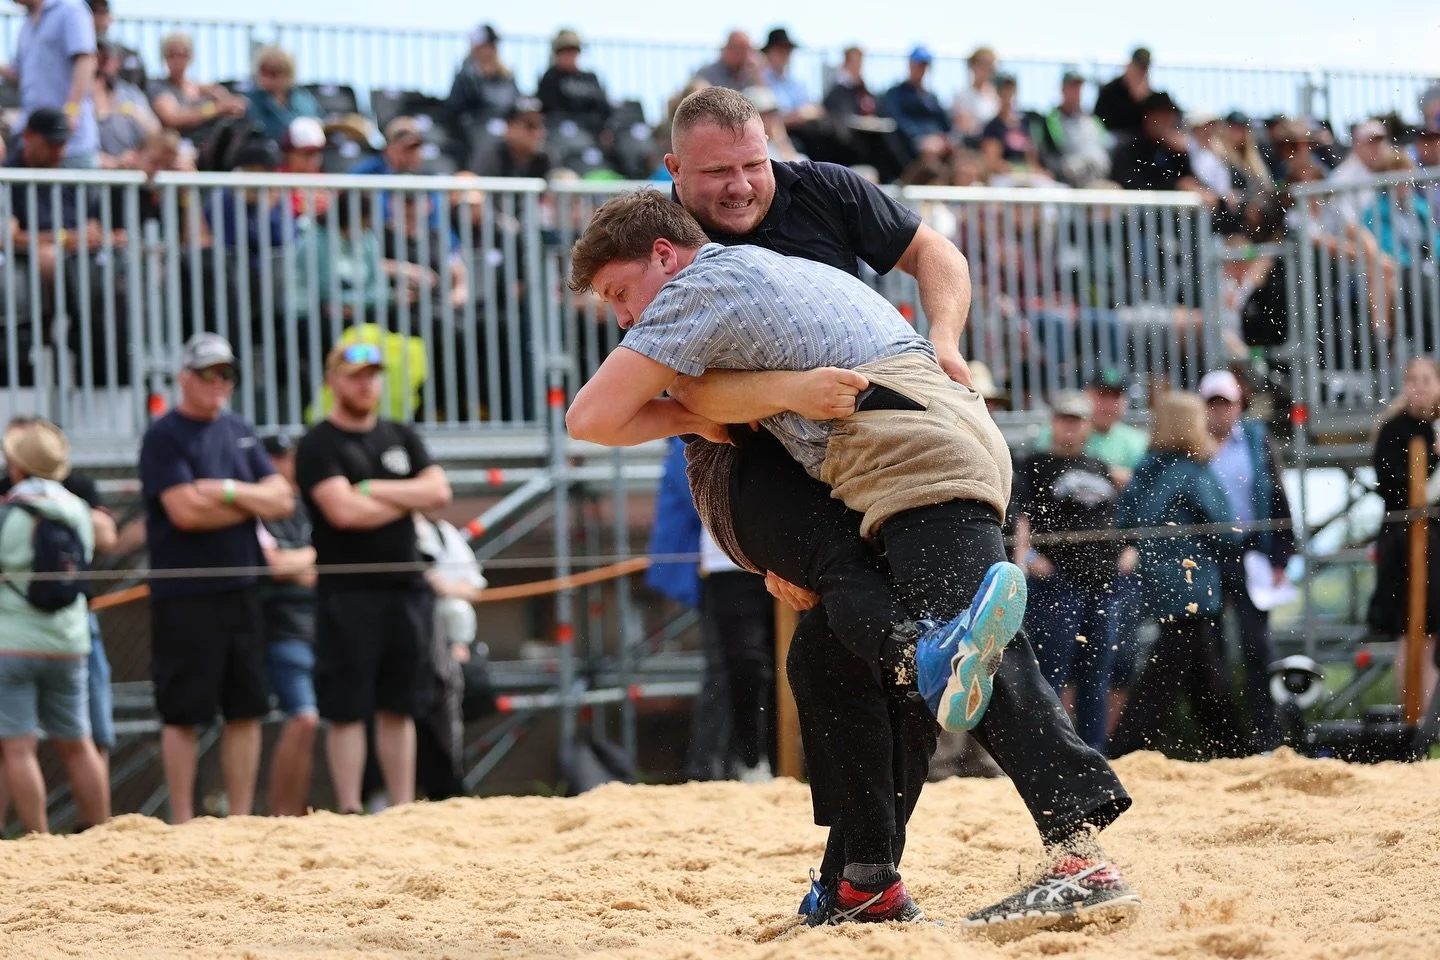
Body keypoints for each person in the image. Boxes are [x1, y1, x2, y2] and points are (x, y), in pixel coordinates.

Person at [651, 86, 1135, 932]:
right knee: (854, 661)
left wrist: (947, 343)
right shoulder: (671, 251)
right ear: (673, 173)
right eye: (716, 173)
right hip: (794, 477)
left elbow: (936, 255)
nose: (739, 187)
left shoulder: (825, 190)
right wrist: (776, 545)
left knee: (942, 641)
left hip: (891, 446)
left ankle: (1075, 850)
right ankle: (863, 880)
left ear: (775, 151)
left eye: (753, 166)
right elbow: (686, 397)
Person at [138, 333, 296, 824]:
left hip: (242, 588)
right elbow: (185, 512)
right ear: (185, 376)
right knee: (183, 712)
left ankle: (241, 819)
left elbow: (283, 500)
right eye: (208, 373)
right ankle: (184, 820)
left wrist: (225, 491)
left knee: (246, 708)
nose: (218, 383)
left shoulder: (240, 430)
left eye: (226, 374)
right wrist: (249, 504)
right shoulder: (164, 435)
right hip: (185, 592)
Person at [294, 341, 452, 814]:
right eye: (355, 375)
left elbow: (439, 492)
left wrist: (369, 488)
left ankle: (400, 808)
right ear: (332, 380)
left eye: (373, 375)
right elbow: (342, 513)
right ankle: (349, 807)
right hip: (347, 590)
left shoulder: (400, 434)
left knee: (400, 704)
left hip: (405, 589)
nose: (366, 384)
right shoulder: (319, 443)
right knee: (346, 707)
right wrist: (406, 497)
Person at [1110, 392, 1250, 759]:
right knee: (1164, 676)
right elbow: (1223, 529)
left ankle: (1232, 747)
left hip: (1157, 582)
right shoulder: (1193, 471)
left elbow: (1127, 521)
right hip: (1193, 584)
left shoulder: (1146, 468)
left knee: (1201, 674)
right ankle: (1127, 749)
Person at [0, 415, 117, 824]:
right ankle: (102, 834)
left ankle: (36, 838)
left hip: (12, 644)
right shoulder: (80, 511)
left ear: (17, 465)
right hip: (69, 643)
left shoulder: (10, 512)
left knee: (17, 747)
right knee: (79, 744)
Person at [1011, 392, 1123, 750]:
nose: (1070, 426)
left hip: (1103, 582)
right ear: (1053, 421)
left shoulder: (1100, 465)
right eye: (1064, 419)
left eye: (1077, 420)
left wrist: (1125, 552)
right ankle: (1048, 750)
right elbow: (1019, 519)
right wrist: (1028, 560)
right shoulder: (1032, 463)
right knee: (1051, 673)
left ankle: (1094, 751)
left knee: (1097, 675)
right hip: (1057, 583)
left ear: (1088, 425)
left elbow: (1115, 516)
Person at [1198, 370, 1293, 753]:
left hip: (1252, 551)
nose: (1221, 412)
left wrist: (1281, 554)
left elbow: (1276, 495)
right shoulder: (1193, 443)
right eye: (1214, 404)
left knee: (1257, 647)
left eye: (1227, 403)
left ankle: (1266, 737)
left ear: (1239, 406)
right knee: (1211, 652)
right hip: (1207, 556)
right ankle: (1226, 742)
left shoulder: (1256, 440)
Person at [1368, 357, 1440, 710]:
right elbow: (1395, 489)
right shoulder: (1394, 430)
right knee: (1414, 633)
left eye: (1427, 379)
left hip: (1436, 544)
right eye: (1413, 379)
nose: (1420, 386)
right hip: (1406, 544)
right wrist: (1432, 463)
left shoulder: (1436, 427)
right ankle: (1415, 719)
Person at [255, 433, 319, 817]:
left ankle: (295, 813)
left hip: (315, 625)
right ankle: (281, 814)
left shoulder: (307, 505)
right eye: (276, 457)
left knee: (312, 722)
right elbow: (273, 565)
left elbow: (323, 567)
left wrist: (298, 564)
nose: (284, 464)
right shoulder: (259, 509)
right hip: (280, 628)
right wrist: (309, 560)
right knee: (303, 718)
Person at [416, 513, 485, 800]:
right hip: (407, 644)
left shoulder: (442, 532)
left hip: (446, 652)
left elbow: (474, 586)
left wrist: (444, 587)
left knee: (446, 722)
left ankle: (447, 791)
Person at [8, 0, 99, 168]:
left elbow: (86, 60)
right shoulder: (26, 26)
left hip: (71, 145)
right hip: (36, 144)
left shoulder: (70, 10)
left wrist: (72, 110)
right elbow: (18, 75)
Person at [148, 31, 246, 140]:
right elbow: (173, 118)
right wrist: (215, 108)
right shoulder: (159, 86)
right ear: (164, 57)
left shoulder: (202, 89)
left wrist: (227, 101)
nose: (178, 60)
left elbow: (232, 107)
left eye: (182, 54)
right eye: (172, 55)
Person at [1034, 70, 1112, 188]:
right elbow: (1048, 154)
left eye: (1078, 87)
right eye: (1072, 87)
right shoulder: (1050, 120)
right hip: (1068, 182)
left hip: (1099, 177)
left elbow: (1105, 148)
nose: (1076, 92)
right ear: (1062, 89)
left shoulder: (1093, 120)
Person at [93, 41, 158, 169]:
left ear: (117, 62)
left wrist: (137, 156)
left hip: (131, 174)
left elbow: (156, 133)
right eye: (97, 56)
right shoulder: (77, 94)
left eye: (106, 57)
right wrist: (113, 162)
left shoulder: (131, 94)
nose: (101, 62)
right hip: (91, 176)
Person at [881, 47, 950, 160]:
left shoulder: (931, 97)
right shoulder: (896, 93)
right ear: (910, 65)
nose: (921, 69)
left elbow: (945, 123)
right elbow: (897, 120)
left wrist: (943, 139)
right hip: (910, 147)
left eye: (924, 65)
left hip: (936, 142)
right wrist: (919, 138)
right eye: (918, 64)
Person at [537, 29, 609, 136]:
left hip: (591, 131)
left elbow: (603, 108)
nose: (569, 55)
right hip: (561, 133)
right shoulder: (550, 78)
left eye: (573, 51)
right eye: (565, 51)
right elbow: (548, 110)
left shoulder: (590, 78)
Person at [244, 45, 322, 143]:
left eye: (274, 73)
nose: (267, 79)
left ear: (288, 74)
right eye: (264, 72)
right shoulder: (252, 100)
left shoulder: (302, 98)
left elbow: (316, 124)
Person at [446, 24, 519, 124]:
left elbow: (516, 102)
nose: (492, 49)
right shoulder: (466, 78)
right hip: (478, 132)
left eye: (493, 45)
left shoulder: (507, 76)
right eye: (487, 46)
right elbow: (457, 110)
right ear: (475, 48)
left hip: (509, 130)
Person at [469, 97, 553, 179]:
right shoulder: (492, 154)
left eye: (541, 124)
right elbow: (471, 181)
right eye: (531, 125)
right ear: (509, 127)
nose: (538, 132)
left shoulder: (546, 156)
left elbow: (559, 176)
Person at [978, 74, 1040, 177]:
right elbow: (993, 162)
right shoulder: (992, 126)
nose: (1007, 93)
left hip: (1026, 176)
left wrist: (1031, 172)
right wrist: (1018, 173)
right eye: (1003, 89)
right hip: (1003, 178)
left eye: (1010, 89)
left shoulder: (1024, 123)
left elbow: (1031, 158)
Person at [1094, 48, 1151, 137]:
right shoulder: (1110, 90)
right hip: (1114, 138)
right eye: (1138, 67)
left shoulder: (1148, 94)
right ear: (1129, 66)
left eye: (1144, 68)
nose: (1140, 72)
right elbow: (1099, 122)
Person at [951, 46, 999, 141]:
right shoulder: (961, 95)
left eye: (989, 65)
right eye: (981, 64)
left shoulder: (996, 96)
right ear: (972, 66)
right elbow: (964, 126)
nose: (985, 69)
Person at [693, 31, 761, 91]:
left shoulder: (749, 75)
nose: (744, 54)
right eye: (738, 48)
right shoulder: (706, 74)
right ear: (727, 49)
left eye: (747, 49)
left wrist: (757, 74)